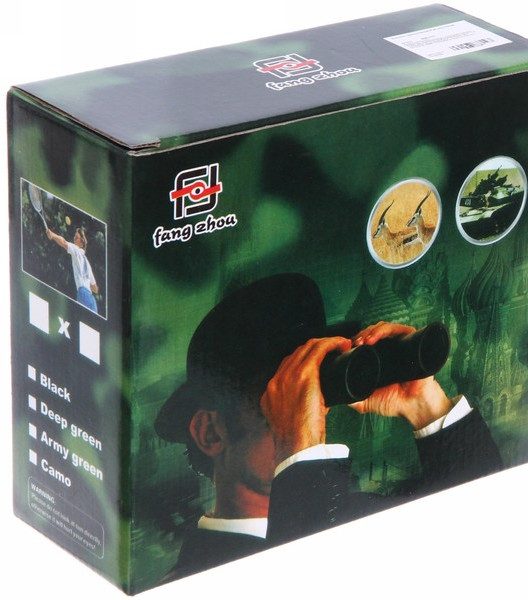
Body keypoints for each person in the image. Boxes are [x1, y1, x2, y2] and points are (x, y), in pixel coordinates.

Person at [155, 273, 502, 580]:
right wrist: (299, 446)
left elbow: (484, 538)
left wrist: (425, 406)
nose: (312, 408)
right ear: (211, 433)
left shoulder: (361, 515)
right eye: (281, 394)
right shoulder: (192, 579)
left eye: (314, 386)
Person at [46, 226, 99, 313]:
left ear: (82, 243)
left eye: (76, 237)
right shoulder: (88, 263)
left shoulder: (76, 250)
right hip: (92, 300)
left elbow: (63, 242)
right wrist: (85, 280)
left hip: (83, 294)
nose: (74, 238)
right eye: (74, 236)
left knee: (82, 318)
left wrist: (52, 235)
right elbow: (95, 289)